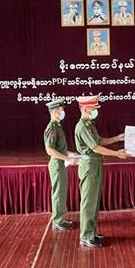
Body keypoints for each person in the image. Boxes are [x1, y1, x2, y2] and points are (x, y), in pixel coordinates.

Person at [74, 94, 126, 248]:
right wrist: (117, 154)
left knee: (94, 201)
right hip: (89, 165)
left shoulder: (89, 124)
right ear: (85, 109)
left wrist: (116, 138)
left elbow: (99, 140)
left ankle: (92, 231)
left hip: (95, 164)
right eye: (93, 108)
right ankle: (86, 235)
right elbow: (96, 147)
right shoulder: (82, 126)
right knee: (88, 201)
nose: (96, 111)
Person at [43, 99, 81, 231]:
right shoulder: (52, 128)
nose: (63, 112)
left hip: (61, 163)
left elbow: (59, 148)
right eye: (61, 110)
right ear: (54, 111)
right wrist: (67, 158)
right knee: (58, 193)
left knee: (61, 192)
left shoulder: (57, 126)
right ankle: (58, 221)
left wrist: (70, 154)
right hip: (57, 164)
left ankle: (61, 218)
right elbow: (50, 150)